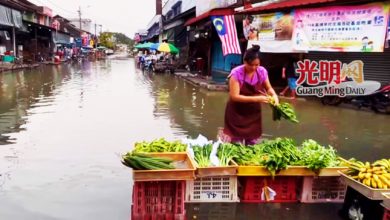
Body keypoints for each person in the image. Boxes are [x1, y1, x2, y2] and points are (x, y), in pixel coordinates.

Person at [222, 45, 279, 145]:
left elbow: (268, 88)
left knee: (252, 144)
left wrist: (274, 96)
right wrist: (257, 99)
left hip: (253, 112)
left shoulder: (262, 72)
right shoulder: (236, 73)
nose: (254, 68)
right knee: (236, 144)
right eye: (251, 65)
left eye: (257, 65)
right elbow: (234, 96)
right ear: (244, 62)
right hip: (237, 111)